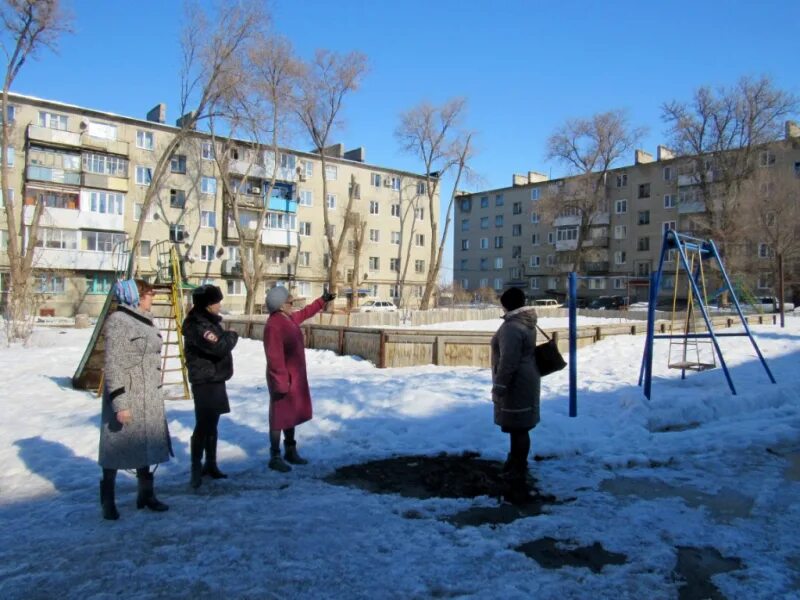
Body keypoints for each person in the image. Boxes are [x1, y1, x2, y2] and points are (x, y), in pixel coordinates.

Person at [99, 279, 173, 520]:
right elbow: (113, 365)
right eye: (150, 294)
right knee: (116, 449)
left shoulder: (143, 319)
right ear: (137, 296)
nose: (153, 299)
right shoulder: (119, 322)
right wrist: (120, 404)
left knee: (145, 446)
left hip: (148, 395)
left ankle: (146, 494)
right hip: (129, 395)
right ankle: (108, 500)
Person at [263, 286, 336, 472]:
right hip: (282, 378)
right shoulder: (274, 325)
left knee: (290, 415)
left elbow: (305, 313)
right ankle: (275, 455)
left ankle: (290, 450)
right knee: (279, 417)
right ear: (279, 305)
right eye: (289, 302)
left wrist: (322, 300)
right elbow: (274, 357)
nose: (292, 305)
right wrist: (280, 381)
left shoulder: (287, 319)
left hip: (292, 377)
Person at [183, 284, 239, 489]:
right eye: (216, 301)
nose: (219, 305)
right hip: (204, 380)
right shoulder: (197, 325)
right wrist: (232, 335)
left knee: (212, 424)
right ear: (207, 304)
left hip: (215, 378)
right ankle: (196, 468)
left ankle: (211, 463)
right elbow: (219, 346)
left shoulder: (208, 321)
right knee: (203, 425)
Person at [491, 286, 540, 503]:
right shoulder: (526, 322)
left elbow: (508, 361)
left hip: (516, 382)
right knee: (520, 426)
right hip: (526, 379)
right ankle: (516, 462)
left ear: (507, 304)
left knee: (519, 427)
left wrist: (500, 386)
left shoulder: (512, 327)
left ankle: (517, 467)